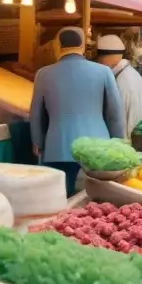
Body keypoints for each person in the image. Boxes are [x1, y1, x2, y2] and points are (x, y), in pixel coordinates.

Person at [30, 27, 125, 195]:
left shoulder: (43, 74)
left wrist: (37, 141)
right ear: (82, 46)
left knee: (61, 199)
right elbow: (115, 112)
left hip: (57, 147)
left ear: (58, 46)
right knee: (94, 199)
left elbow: (36, 113)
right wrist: (119, 141)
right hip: (97, 149)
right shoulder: (103, 72)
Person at [95, 34, 142, 136]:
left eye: (99, 60)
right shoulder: (134, 75)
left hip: (126, 144)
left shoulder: (121, 81)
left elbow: (118, 121)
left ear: (105, 59)